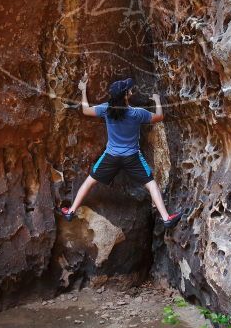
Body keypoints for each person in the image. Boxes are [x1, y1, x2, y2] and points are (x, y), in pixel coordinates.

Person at [59, 76, 183, 228]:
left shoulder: (106, 109)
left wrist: (83, 90)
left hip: (111, 156)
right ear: (126, 95)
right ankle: (166, 218)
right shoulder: (137, 113)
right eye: (128, 89)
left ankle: (71, 211)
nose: (130, 90)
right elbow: (159, 117)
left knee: (89, 181)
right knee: (151, 185)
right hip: (132, 157)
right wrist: (157, 100)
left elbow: (85, 110)